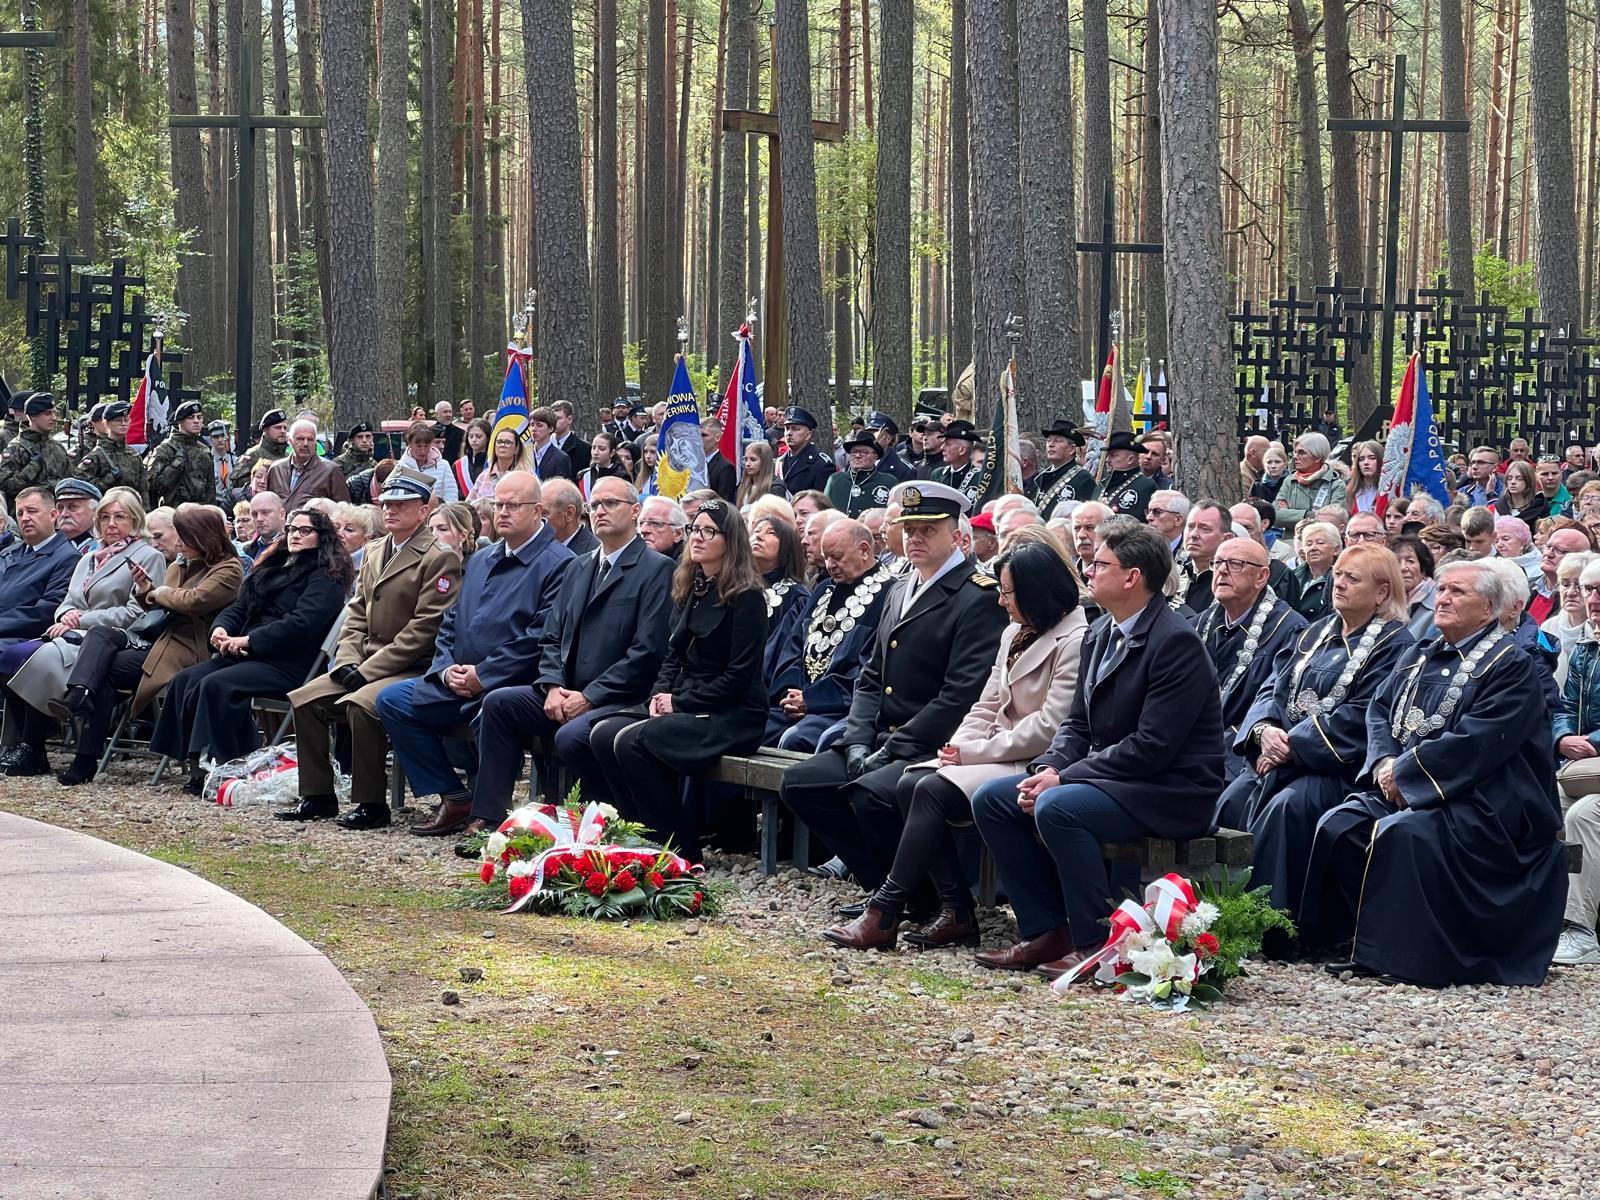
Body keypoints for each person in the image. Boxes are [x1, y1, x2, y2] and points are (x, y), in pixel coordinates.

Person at [971, 519, 1225, 975]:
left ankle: (1096, 942)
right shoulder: (1101, 631)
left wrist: (1063, 778)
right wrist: (1046, 766)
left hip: (1170, 790)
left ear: (1132, 577)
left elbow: (1152, 748)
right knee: (993, 799)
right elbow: (1076, 724)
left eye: (1099, 564)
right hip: (1116, 780)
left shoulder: (1176, 642)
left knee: (1058, 807)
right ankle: (1046, 929)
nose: (1087, 570)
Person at [1298, 558, 1567, 986]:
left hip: (1488, 800)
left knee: (1406, 834)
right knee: (1340, 824)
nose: (1443, 599)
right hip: (1411, 783)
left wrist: (1407, 775)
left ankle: (1405, 955)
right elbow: (1379, 712)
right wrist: (1386, 763)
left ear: (1489, 609)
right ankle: (1345, 941)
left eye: (1458, 592)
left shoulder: (1512, 664)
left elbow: (1480, 740)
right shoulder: (1418, 653)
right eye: (1441, 590)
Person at [824, 543, 1089, 950]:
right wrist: (959, 747)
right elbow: (985, 703)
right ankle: (954, 910)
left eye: (1008, 592)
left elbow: (1048, 727)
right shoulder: (1014, 631)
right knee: (911, 783)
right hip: (994, 750)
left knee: (929, 788)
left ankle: (887, 908)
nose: (1001, 601)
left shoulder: (1075, 636)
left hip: (1034, 760)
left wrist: (973, 754)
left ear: (1036, 591)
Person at [779, 481, 1009, 896]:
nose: (915, 538)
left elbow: (959, 696)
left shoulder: (977, 596)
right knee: (801, 785)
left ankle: (915, 899)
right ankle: (881, 886)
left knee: (871, 796)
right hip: (880, 737)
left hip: (929, 743)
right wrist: (857, 743)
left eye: (928, 530)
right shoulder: (900, 587)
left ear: (957, 535)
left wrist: (892, 749)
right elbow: (871, 676)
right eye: (909, 528)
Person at [458, 477, 675, 843]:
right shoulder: (579, 566)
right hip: (566, 691)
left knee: (574, 736)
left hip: (618, 698)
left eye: (612, 503)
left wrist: (589, 696)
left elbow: (647, 651)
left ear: (636, 512)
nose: (601, 511)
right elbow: (551, 637)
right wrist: (553, 686)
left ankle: (601, 825)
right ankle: (489, 818)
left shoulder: (656, 569)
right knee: (500, 702)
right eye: (597, 505)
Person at [1215, 545, 1414, 913]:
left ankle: (1270, 923)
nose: (1339, 584)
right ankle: (1213, 915)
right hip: (1275, 757)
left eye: (1352, 578)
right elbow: (1271, 687)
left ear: (1383, 591)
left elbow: (1366, 712)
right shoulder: (1313, 633)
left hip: (1334, 768)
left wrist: (1293, 746)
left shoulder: (1396, 646)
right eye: (1338, 574)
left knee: (1288, 808)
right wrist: (1263, 731)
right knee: (1232, 798)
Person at [377, 471, 573, 835]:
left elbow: (541, 637)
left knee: (495, 709)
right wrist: (446, 669)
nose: (502, 512)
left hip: (512, 685)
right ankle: (454, 795)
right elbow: (450, 621)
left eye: (513, 505)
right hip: (457, 680)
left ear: (538, 511)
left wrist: (484, 675)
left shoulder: (559, 563)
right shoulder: (482, 559)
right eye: (498, 504)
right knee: (392, 700)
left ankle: (489, 815)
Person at [279, 467, 463, 830]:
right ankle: (317, 795)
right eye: (387, 502)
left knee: (361, 704)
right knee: (305, 699)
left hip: (409, 665)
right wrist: (347, 659)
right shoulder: (376, 548)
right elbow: (357, 612)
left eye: (401, 504)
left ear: (423, 511)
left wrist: (366, 670)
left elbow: (424, 628)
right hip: (363, 659)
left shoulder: (439, 556)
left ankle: (371, 802)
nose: (389, 509)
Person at [585, 499, 768, 862]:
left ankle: (679, 848)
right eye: (694, 530)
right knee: (602, 733)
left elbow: (738, 678)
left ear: (730, 540)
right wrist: (659, 694)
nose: (697, 538)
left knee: (634, 741)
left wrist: (679, 704)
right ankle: (637, 832)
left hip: (732, 714)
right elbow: (673, 655)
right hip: (686, 702)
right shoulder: (692, 585)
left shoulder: (747, 597)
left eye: (708, 531)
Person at [150, 507, 351, 792]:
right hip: (249, 651)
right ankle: (196, 763)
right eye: (292, 529)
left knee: (216, 684)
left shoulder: (326, 576)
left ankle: (228, 764)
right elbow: (239, 607)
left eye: (305, 531)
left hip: (290, 661)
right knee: (186, 679)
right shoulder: (274, 565)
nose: (295, 535)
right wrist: (220, 630)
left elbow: (301, 625)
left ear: (322, 536)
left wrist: (248, 641)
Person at [51, 503, 245, 785]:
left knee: (104, 670)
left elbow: (192, 601)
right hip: (160, 639)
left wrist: (159, 592)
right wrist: (145, 591)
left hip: (191, 648)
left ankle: (83, 748)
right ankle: (80, 695)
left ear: (203, 537)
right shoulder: (182, 563)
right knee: (101, 635)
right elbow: (162, 605)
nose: (177, 543)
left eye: (184, 537)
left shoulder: (229, 569)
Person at [765, 518, 895, 751]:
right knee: (748, 731)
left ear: (864, 550)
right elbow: (793, 648)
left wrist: (813, 700)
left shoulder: (889, 595)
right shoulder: (824, 590)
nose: (830, 564)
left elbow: (869, 670)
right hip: (796, 703)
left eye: (837, 556)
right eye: (826, 557)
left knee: (797, 738)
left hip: (840, 709)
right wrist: (791, 694)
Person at [1194, 536, 1307, 778]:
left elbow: (1276, 702)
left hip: (1241, 747)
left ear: (1262, 576)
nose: (1222, 570)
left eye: (1236, 564)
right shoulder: (1199, 624)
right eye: (1218, 562)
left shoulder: (1290, 631)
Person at [1553, 557, 1600, 965]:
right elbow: (1565, 703)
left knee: (1585, 814)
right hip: (1584, 765)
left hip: (1593, 764)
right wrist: (1563, 735)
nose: (1592, 598)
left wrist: (1593, 742)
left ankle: (1580, 930)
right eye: (1588, 590)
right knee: (1548, 801)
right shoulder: (1585, 648)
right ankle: (1549, 915)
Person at [750, 512, 811, 690]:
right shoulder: (736, 589)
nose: (759, 536)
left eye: (771, 532)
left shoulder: (797, 597)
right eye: (756, 531)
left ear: (787, 546)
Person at [0, 392, 70, 505]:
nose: (54, 418)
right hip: (27, 515)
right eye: (47, 414)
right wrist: (31, 469)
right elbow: (5, 486)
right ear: (32, 416)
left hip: (57, 515)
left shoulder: (58, 447)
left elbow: (70, 482)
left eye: (54, 413)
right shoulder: (16, 448)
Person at [74, 401, 148, 504]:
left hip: (131, 510)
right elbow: (81, 487)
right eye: (118, 420)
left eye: (126, 420)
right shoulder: (96, 456)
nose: (123, 424)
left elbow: (143, 489)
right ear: (106, 423)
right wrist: (108, 479)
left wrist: (144, 513)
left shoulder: (133, 454)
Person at [265, 419, 351, 507]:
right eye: (300, 439)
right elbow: (267, 504)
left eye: (310, 439)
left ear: (315, 442)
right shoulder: (276, 469)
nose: (305, 444)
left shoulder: (331, 471)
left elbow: (343, 511)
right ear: (290, 441)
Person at [147, 401, 217, 508]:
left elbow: (211, 492)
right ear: (180, 421)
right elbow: (152, 487)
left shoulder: (204, 450)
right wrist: (176, 465)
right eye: (191, 417)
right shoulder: (166, 449)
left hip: (200, 514)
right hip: (171, 513)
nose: (196, 421)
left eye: (199, 417)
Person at [1543, 550, 1595, 688]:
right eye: (1565, 584)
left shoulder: (1597, 630)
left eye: (1579, 585)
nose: (1571, 592)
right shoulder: (1548, 628)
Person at [1275, 433, 1347, 527]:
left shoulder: (1336, 485)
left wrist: (1291, 515)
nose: (1295, 457)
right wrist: (1310, 515)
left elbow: (1334, 520)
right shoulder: (1290, 481)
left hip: (1323, 539)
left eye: (1301, 452)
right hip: (1290, 540)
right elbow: (1276, 515)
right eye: (1295, 452)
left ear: (1317, 458)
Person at [1530, 523, 1594, 624]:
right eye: (1548, 546)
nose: (1548, 554)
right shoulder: (1526, 586)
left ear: (1579, 559)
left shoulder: (1579, 598)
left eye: (1561, 551)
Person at [824, 431, 897, 517]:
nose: (857, 455)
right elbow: (824, 513)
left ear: (875, 457)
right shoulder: (835, 480)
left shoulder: (889, 482)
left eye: (864, 452)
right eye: (854, 451)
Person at [1032, 421, 1096, 520]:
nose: (1051, 445)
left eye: (1057, 441)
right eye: (1048, 441)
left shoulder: (1083, 479)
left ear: (1072, 449)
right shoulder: (1042, 477)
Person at [1093, 431, 1156, 520]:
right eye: (1108, 455)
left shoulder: (1145, 486)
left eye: (1113, 456)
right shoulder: (1102, 484)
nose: (1107, 460)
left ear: (1130, 459)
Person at [1392, 533, 1438, 640]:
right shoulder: (1382, 601)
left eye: (1410, 561)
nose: (1403, 568)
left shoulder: (1437, 603)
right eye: (1396, 562)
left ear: (1423, 569)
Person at [469, 426, 535, 501]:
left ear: (516, 449)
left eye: (508, 442)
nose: (502, 445)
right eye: (499, 442)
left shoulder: (528, 476)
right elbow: (469, 505)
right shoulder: (484, 476)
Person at [1291, 521, 1341, 620]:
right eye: (1308, 544)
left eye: (1320, 543)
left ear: (1336, 549)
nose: (1313, 548)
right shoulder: (1292, 576)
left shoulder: (1341, 579)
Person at [777, 406, 832, 495]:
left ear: (808, 435)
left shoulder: (821, 464)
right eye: (787, 428)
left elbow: (821, 502)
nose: (789, 433)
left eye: (795, 429)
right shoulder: (778, 462)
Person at [541, 477, 598, 558]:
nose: (536, 519)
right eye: (536, 511)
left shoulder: (593, 558)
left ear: (569, 514)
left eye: (543, 514)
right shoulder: (538, 547)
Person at [931, 420, 982, 502]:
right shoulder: (937, 475)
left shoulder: (979, 478)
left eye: (948, 444)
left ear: (962, 450)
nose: (942, 448)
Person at [1494, 460, 1549, 531]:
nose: (1513, 482)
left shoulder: (1540, 507)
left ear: (1528, 481)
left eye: (1519, 478)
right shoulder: (1500, 506)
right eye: (1509, 478)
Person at [238, 409, 291, 479]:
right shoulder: (253, 455)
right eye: (278, 428)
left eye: (285, 428)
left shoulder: (288, 457)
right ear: (265, 430)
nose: (283, 431)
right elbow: (236, 483)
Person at [52, 477, 102, 552]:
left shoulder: (102, 548)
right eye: (60, 508)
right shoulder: (46, 544)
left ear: (94, 512)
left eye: (73, 507)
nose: (64, 514)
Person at [525, 406, 574, 482]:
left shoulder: (561, 458)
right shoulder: (525, 454)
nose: (534, 429)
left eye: (539, 425)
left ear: (551, 428)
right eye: (532, 425)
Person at [736, 438, 787, 507]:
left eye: (753, 459)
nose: (747, 464)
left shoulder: (775, 488)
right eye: (746, 459)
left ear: (764, 462)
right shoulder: (742, 485)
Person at [867, 412, 917, 482]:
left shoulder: (904, 470)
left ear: (888, 439)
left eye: (875, 434)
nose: (870, 438)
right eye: (868, 434)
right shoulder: (858, 462)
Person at [579, 431, 628, 500]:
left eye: (602, 449)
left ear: (612, 453)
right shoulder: (585, 476)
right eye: (593, 448)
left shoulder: (621, 476)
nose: (595, 452)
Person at [638, 494, 687, 560]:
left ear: (678, 534)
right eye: (641, 523)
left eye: (655, 523)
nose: (643, 530)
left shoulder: (690, 567)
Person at [1493, 514, 1542, 582]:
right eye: (1496, 541)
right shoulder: (1493, 564)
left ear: (1522, 542)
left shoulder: (1539, 568)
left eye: (1505, 539)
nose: (1499, 544)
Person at [452, 418, 492, 497]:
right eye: (471, 436)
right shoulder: (458, 465)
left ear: (487, 438)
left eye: (478, 436)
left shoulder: (492, 463)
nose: (474, 440)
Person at [551, 400, 590, 476]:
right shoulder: (543, 444)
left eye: (558, 418)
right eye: (552, 418)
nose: (554, 422)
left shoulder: (584, 449)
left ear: (569, 419)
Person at [1144, 489, 1190, 554]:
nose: (1148, 517)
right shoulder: (1138, 548)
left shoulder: (1192, 554)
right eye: (1149, 511)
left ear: (1178, 519)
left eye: (1157, 512)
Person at [1346, 440, 1383, 513]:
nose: (1366, 462)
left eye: (1372, 458)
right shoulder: (1349, 492)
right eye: (1361, 459)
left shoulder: (1389, 492)